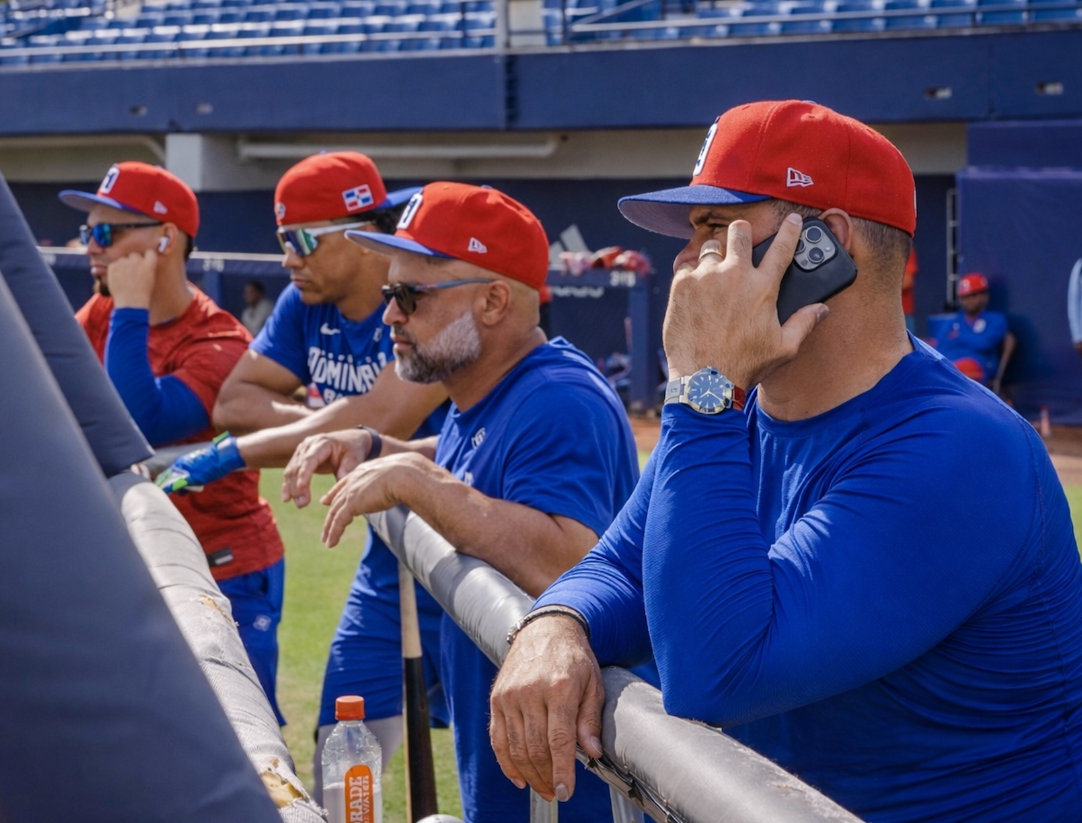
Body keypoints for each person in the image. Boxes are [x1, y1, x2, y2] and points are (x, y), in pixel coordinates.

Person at [489, 100, 1082, 823]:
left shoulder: (960, 448)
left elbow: (720, 670)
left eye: (716, 230)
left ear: (821, 247)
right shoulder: (735, 409)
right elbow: (618, 567)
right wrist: (553, 622)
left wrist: (698, 384)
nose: (686, 262)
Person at [281, 182, 640, 823]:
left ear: (494, 300)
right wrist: (377, 444)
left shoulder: (559, 399)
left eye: (409, 296)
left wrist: (418, 483)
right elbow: (472, 466)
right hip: (519, 772)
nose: (389, 315)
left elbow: (569, 563)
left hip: (570, 792)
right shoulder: (488, 392)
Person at [156, 151, 450, 801]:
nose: (288, 258)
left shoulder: (417, 296)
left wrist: (242, 451)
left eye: (301, 239)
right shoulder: (303, 301)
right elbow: (234, 403)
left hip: (476, 552)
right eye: (281, 241)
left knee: (514, 771)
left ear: (361, 232)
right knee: (343, 764)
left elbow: (381, 412)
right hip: (392, 556)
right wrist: (327, 422)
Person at [60, 161, 288, 723]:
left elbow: (139, 423)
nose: (91, 246)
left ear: (166, 237)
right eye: (89, 231)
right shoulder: (100, 314)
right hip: (131, 562)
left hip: (225, 566)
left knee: (239, 737)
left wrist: (132, 306)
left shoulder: (220, 338)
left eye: (107, 232)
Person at [930, 272, 1016, 393]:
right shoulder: (953, 321)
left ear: (984, 296)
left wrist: (959, 337)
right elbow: (940, 347)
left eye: (973, 295)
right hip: (950, 367)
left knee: (962, 370)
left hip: (977, 368)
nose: (968, 300)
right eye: (965, 297)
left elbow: (985, 343)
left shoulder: (995, 320)